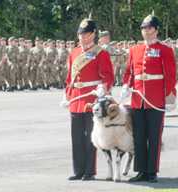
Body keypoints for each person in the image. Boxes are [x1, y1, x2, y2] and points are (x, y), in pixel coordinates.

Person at [122, 13, 177, 183]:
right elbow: (129, 72)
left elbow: (170, 75)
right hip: (138, 99)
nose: (146, 31)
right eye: (144, 28)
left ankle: (152, 171)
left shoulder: (165, 50)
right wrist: (126, 85)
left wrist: (169, 96)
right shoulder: (135, 50)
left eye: (149, 28)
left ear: (156, 30)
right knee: (139, 137)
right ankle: (141, 171)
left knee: (154, 137)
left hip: (155, 99)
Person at [64, 18, 114, 181]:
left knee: (89, 137)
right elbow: (69, 78)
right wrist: (67, 95)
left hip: (91, 98)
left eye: (85, 34)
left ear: (93, 34)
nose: (82, 37)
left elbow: (108, 76)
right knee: (76, 137)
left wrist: (103, 89)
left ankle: (89, 171)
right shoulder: (74, 53)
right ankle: (78, 170)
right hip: (75, 99)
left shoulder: (101, 53)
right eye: (80, 34)